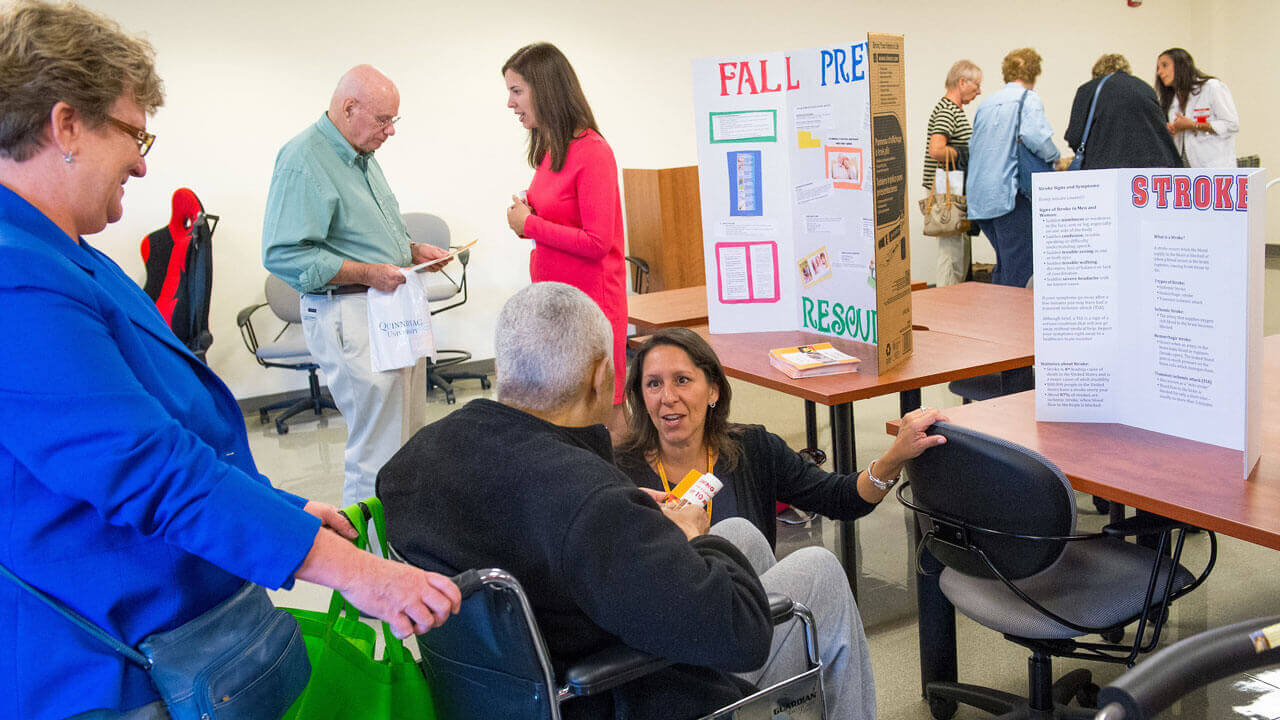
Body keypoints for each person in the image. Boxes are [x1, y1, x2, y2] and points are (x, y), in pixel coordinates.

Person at [0, 4, 459, 718]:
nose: (143, 160)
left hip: (161, 630)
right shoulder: (17, 278)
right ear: (65, 126)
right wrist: (359, 574)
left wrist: (281, 507)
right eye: (133, 132)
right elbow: (146, 465)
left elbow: (168, 434)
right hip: (107, 663)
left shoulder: (67, 255)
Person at [380, 282, 909, 720]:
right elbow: (741, 637)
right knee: (816, 567)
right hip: (626, 690)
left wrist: (641, 521)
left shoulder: (413, 464)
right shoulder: (589, 497)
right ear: (600, 378)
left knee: (741, 534)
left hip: (505, 694)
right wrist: (689, 538)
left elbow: (540, 523)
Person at [262, 65, 451, 508]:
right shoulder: (303, 160)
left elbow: (359, 232)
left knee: (407, 441)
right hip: (351, 313)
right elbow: (284, 255)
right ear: (349, 108)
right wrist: (367, 272)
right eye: (384, 120)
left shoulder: (361, 155)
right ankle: (371, 563)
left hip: (390, 309)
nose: (390, 132)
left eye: (394, 121)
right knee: (377, 451)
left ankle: (402, 546)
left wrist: (408, 249)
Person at [615, 327, 948, 550]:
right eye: (653, 384)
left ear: (713, 389)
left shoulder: (753, 450)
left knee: (813, 562)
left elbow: (840, 499)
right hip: (664, 624)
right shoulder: (618, 470)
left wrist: (896, 455)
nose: (667, 397)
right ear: (641, 396)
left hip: (749, 614)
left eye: (683, 380)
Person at [502, 42, 628, 436]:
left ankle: (628, 494)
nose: (510, 103)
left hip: (591, 308)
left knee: (604, 416)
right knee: (566, 415)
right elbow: (565, 217)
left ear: (545, 89)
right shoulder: (550, 150)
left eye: (517, 91)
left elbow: (597, 242)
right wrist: (532, 212)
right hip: (555, 304)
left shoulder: (593, 152)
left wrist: (530, 224)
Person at [968, 48, 1061, 288]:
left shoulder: (986, 104)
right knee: (1020, 269)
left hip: (981, 201)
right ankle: (1013, 324)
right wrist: (1057, 158)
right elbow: (1037, 139)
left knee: (1005, 264)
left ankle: (998, 320)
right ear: (1035, 72)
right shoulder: (1027, 99)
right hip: (1009, 196)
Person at [922, 60, 982, 286]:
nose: (979, 91)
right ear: (962, 82)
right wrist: (964, 153)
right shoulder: (948, 110)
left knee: (958, 252)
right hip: (948, 191)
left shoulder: (950, 109)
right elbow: (936, 149)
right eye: (976, 85)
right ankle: (946, 304)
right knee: (951, 254)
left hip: (950, 190)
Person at [1064, 54, 1181, 170]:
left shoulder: (1087, 89)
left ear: (1097, 73)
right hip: (1146, 172)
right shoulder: (1145, 88)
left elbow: (1075, 137)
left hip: (1102, 170)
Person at [1155, 47, 1239, 168]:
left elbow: (1232, 124)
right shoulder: (1173, 100)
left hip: (1216, 168)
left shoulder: (1212, 87)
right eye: (1158, 68)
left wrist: (1193, 125)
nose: (1159, 72)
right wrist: (1172, 130)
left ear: (1181, 65)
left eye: (1164, 65)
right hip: (1187, 168)